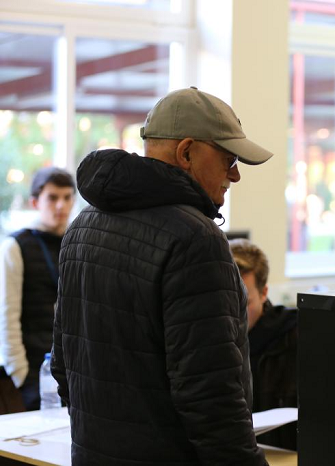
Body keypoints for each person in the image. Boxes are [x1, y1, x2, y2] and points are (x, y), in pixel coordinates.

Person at [51, 87, 272, 466]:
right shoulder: (196, 240)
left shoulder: (83, 224)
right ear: (186, 152)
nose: (233, 175)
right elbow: (210, 397)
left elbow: (62, 364)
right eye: (228, 159)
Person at [0, 167, 75, 411]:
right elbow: (6, 315)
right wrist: (21, 374)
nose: (61, 205)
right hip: (34, 372)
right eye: (52, 198)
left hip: (73, 370)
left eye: (67, 197)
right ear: (35, 202)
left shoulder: (77, 242)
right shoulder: (15, 246)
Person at [229, 239, 298, 451]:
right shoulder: (207, 341)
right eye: (226, 301)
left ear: (264, 293)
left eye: (244, 303)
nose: (233, 313)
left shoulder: (293, 337)